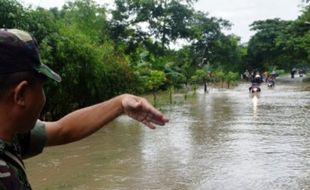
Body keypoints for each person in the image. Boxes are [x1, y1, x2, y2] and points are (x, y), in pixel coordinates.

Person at [0, 29, 169, 189]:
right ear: (21, 95)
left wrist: (121, 103)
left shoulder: (11, 134)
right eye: (42, 86)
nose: (43, 96)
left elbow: (63, 130)